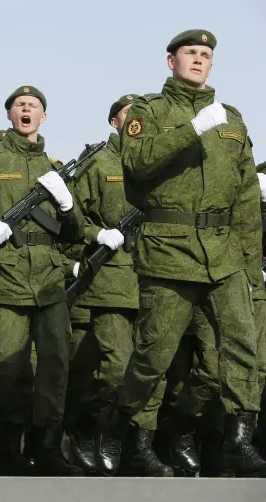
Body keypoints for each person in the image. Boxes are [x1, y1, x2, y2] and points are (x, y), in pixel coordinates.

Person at [94, 29, 266, 478]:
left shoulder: (231, 118)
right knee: (154, 355)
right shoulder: (149, 110)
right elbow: (137, 163)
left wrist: (252, 265)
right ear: (171, 61)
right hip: (169, 247)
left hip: (223, 252)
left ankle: (238, 442)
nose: (199, 59)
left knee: (242, 345)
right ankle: (117, 424)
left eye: (206, 54)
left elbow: (246, 195)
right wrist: (191, 130)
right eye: (190, 52)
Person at [0, 86, 84, 476]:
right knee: (4, 369)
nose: (27, 110)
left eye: (34, 106)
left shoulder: (55, 167)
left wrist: (67, 205)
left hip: (49, 281)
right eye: (20, 105)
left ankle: (47, 448)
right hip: (6, 277)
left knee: (55, 365)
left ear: (44, 117)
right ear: (10, 114)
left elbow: (74, 232)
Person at [67, 94, 173, 476]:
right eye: (128, 114)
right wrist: (96, 235)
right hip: (111, 281)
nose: (136, 119)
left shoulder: (161, 165)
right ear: (115, 122)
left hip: (157, 276)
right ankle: (86, 425)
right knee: (117, 368)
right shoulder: (97, 163)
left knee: (153, 370)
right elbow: (70, 219)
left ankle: (138, 448)